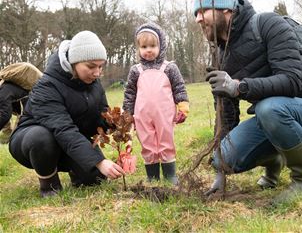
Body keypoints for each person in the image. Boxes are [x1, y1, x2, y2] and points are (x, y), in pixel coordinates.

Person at [193, 0, 302, 205]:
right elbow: (226, 116)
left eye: (203, 11)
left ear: (225, 9)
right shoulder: (219, 56)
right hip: (271, 119)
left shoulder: (268, 23)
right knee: (225, 156)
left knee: (268, 108)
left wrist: (239, 87)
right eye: (196, 14)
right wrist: (220, 171)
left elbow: (291, 80)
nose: (198, 19)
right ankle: (274, 162)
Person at [9, 31, 125, 198]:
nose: (97, 73)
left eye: (100, 66)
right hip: (33, 141)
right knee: (41, 137)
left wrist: (115, 120)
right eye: (91, 66)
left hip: (69, 142)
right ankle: (49, 185)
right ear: (73, 62)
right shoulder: (47, 86)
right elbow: (63, 129)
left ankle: (77, 171)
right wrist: (98, 161)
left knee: (95, 180)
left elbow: (98, 120)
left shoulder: (94, 83)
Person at [123, 22, 189, 185]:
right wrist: (127, 113)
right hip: (142, 116)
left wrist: (182, 104)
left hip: (164, 114)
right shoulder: (136, 71)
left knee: (166, 141)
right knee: (148, 143)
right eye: (144, 46)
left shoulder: (169, 68)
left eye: (153, 45)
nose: (148, 50)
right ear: (138, 48)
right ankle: (152, 176)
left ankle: (169, 174)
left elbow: (179, 87)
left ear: (161, 45)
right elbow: (130, 93)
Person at [0, 63, 42, 144]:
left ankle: (12, 140)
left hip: (33, 90)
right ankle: (11, 139)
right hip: (29, 90)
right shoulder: (7, 85)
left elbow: (5, 115)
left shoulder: (3, 91)